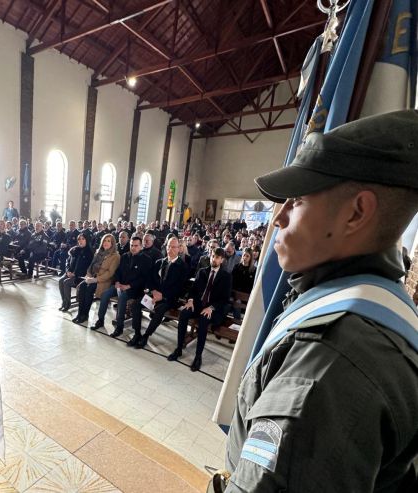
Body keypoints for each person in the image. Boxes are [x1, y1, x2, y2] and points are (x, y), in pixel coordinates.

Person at [221, 110, 418, 492]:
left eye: (296, 199)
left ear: (356, 213)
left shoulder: (329, 363)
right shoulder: (368, 305)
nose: (278, 217)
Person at [168, 247, 231, 371]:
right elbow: (193, 289)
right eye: (213, 256)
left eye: (217, 257)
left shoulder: (226, 276)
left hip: (212, 308)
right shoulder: (202, 271)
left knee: (203, 320)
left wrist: (211, 308)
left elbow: (225, 299)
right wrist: (190, 300)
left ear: (222, 260)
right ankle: (179, 348)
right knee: (184, 314)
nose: (214, 259)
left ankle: (198, 357)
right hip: (197, 305)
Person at [130, 237, 189, 348]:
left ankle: (146, 336)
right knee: (136, 304)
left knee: (160, 309)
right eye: (168, 246)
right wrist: (154, 291)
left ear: (179, 249)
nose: (170, 249)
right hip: (154, 294)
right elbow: (150, 279)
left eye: (173, 247)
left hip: (169, 298)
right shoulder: (159, 262)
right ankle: (137, 334)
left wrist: (162, 296)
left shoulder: (183, 266)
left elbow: (180, 288)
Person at [91, 236, 151, 336]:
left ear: (141, 247)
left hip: (134, 289)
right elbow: (117, 272)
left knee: (122, 297)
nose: (133, 247)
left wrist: (129, 286)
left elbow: (144, 278)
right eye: (132, 245)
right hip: (120, 285)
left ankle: (119, 327)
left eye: (136, 246)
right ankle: (100, 320)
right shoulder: (125, 256)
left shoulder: (146, 259)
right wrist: (117, 281)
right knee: (105, 294)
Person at [74, 234, 120, 324]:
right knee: (82, 287)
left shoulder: (115, 256)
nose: (106, 243)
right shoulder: (98, 252)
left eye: (108, 241)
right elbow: (91, 266)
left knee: (89, 290)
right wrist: (88, 276)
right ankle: (80, 314)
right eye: (104, 240)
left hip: (103, 281)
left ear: (113, 243)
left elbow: (110, 273)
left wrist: (95, 280)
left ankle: (85, 315)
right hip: (92, 278)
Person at [58, 233, 93, 311]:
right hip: (70, 272)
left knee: (66, 282)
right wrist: (67, 271)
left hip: (80, 276)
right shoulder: (74, 249)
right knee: (60, 281)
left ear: (86, 240)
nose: (81, 241)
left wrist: (75, 274)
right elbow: (67, 261)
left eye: (83, 239)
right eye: (79, 239)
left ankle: (67, 304)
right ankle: (64, 302)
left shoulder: (89, 252)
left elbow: (87, 268)